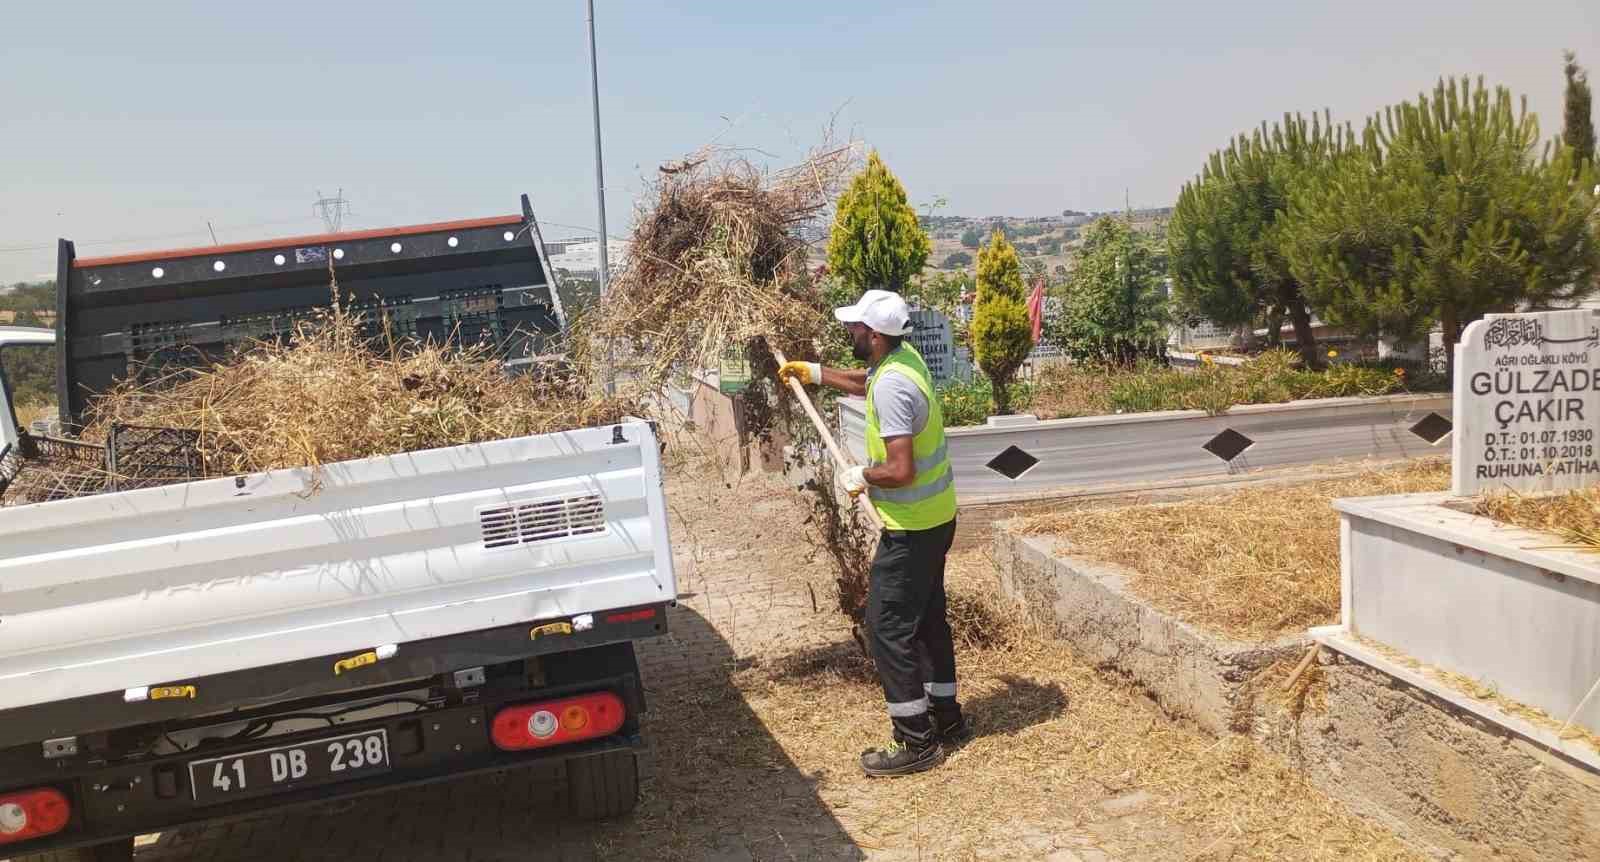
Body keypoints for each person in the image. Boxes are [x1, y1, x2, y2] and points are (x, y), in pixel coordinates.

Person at [779, 289, 969, 777]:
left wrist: (862, 475)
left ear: (876, 335)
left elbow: (901, 468)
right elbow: (868, 381)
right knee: (926, 619)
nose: (850, 332)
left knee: (886, 629)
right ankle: (945, 717)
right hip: (935, 518)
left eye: (856, 327)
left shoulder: (893, 386)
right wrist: (815, 373)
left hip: (911, 528)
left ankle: (915, 740)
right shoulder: (902, 360)